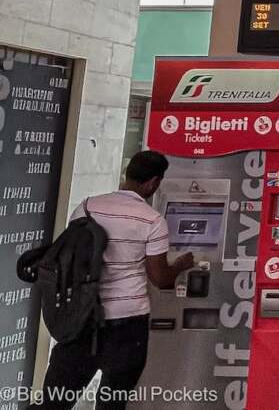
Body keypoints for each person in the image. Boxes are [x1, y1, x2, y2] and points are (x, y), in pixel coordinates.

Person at [39, 151, 194, 410]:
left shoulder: (87, 206)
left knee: (55, 399)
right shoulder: (152, 220)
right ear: (154, 183)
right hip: (127, 323)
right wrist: (181, 265)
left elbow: (72, 254)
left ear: (128, 173)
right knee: (112, 401)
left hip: (82, 316)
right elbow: (160, 279)